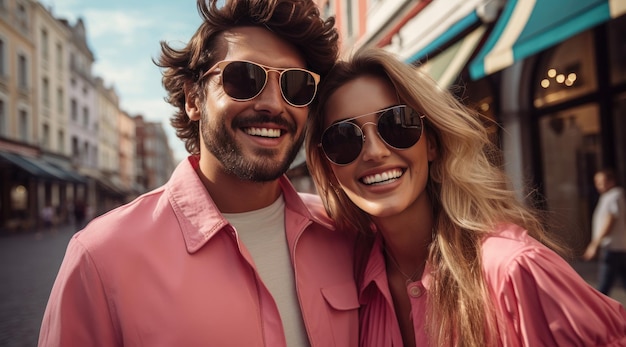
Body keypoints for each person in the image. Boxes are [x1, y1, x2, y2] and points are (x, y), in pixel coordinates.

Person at [38, 1, 359, 346]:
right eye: (244, 77)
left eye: (296, 86)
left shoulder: (346, 232)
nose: (273, 104)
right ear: (193, 98)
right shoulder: (101, 259)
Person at [305, 47, 626, 347]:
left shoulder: (513, 270)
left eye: (397, 124)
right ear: (329, 166)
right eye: (344, 138)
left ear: (431, 144)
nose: (374, 152)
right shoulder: (355, 279)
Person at [583, 168, 626, 296]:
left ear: (612, 181)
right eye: (596, 182)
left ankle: (597, 314)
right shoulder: (608, 196)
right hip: (617, 247)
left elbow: (610, 221)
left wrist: (595, 244)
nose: (598, 185)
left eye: (602, 182)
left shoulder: (614, 195)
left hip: (611, 246)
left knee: (603, 288)